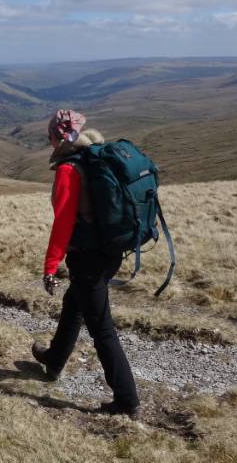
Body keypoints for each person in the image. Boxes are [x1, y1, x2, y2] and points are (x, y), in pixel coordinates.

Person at [31, 110, 140, 419]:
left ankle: (127, 400)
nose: (49, 140)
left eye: (50, 135)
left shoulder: (69, 169)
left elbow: (63, 223)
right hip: (108, 252)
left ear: (57, 137)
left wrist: (50, 266)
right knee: (74, 302)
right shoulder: (93, 158)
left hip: (87, 257)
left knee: (102, 329)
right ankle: (53, 360)